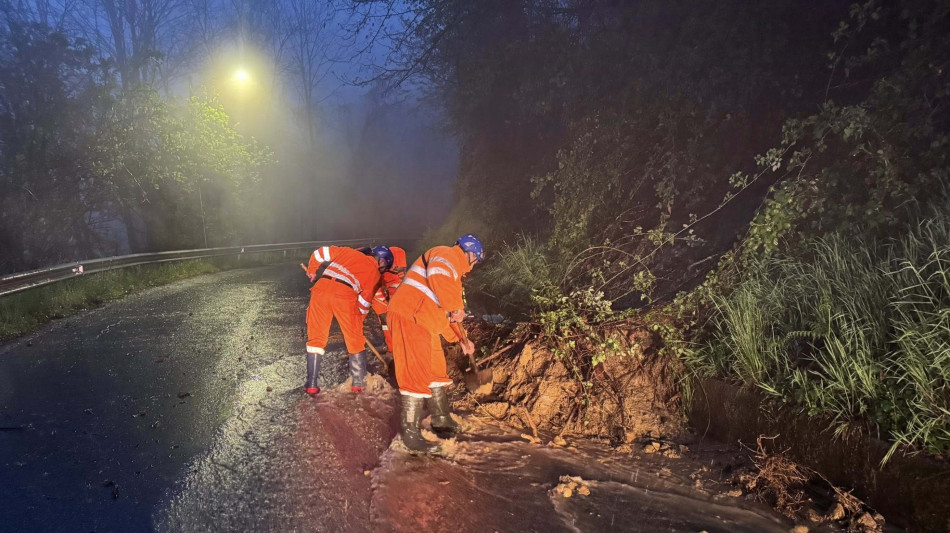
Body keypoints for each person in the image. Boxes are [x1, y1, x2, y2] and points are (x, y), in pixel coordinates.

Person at [388, 234, 484, 453]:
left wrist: (463, 339)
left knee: (435, 370)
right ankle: (410, 437)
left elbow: (448, 316)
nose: (475, 265)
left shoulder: (454, 276)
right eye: (476, 260)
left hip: (425, 321)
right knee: (415, 372)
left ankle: (441, 419)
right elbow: (439, 276)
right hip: (409, 315)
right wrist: (455, 306)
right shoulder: (447, 254)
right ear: (470, 254)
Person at [303, 244, 394, 394]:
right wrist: (356, 321)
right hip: (345, 294)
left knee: (316, 339)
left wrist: (312, 270)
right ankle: (358, 384)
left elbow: (320, 253)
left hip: (320, 290)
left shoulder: (348, 252)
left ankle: (312, 384)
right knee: (355, 340)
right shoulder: (375, 275)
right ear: (383, 262)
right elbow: (364, 303)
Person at [371, 246, 407, 353]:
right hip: (382, 302)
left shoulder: (392, 274)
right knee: (388, 322)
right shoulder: (388, 275)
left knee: (391, 323)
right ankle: (394, 349)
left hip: (384, 300)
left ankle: (396, 348)